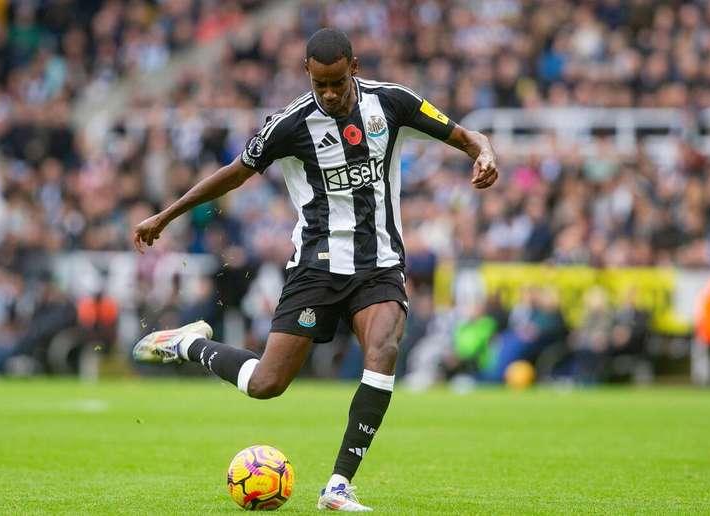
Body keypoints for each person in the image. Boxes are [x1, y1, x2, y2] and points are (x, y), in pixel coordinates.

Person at [131, 28, 498, 512]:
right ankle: (189, 343)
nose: (329, 94)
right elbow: (234, 173)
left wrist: (484, 152)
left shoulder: (393, 103)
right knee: (266, 384)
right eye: (320, 84)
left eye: (338, 83)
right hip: (316, 268)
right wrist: (166, 215)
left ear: (354, 68)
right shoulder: (289, 125)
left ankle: (339, 485)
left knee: (384, 349)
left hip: (379, 263)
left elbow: (465, 135)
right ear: (307, 72)